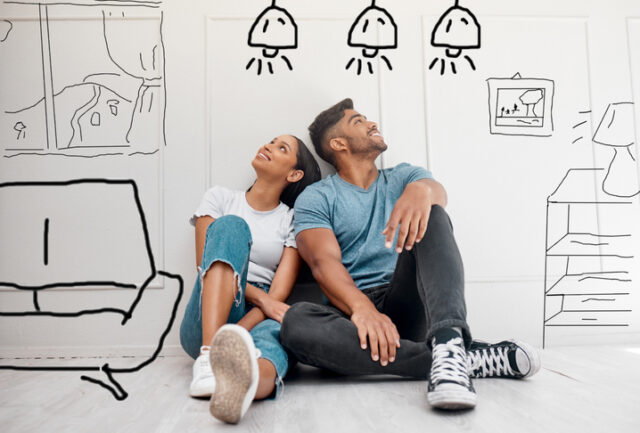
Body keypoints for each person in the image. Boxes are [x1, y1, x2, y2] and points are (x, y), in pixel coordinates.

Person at [280, 98, 540, 410]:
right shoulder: (317, 196)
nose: (372, 124)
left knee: (433, 213)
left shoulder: (403, 176)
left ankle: (448, 339)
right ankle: (454, 358)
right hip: (353, 315)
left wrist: (423, 191)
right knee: (295, 322)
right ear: (339, 143)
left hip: (408, 303)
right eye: (358, 121)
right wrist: (364, 309)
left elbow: (436, 193)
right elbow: (323, 263)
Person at [179, 134, 321, 423]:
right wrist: (259, 303)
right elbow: (204, 264)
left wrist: (241, 330)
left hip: (260, 314)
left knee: (277, 338)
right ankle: (208, 356)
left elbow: (279, 292)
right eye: (270, 141)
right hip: (210, 308)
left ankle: (247, 385)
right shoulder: (220, 198)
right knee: (232, 227)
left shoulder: (291, 219)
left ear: (294, 174)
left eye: (282, 148)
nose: (267, 146)